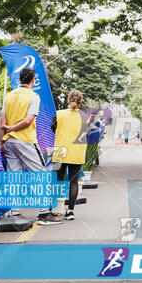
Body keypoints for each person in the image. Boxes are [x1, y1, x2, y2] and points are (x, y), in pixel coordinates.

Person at [0, 67, 62, 225]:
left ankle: (14, 213)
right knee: (41, 175)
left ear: (20, 79)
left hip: (9, 142)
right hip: (25, 140)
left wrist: (2, 140)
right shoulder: (33, 96)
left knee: (13, 178)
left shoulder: (9, 96)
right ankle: (44, 214)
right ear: (33, 80)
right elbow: (28, 121)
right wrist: (13, 129)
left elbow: (2, 121)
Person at [51, 90, 87, 221]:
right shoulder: (85, 117)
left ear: (68, 100)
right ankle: (70, 211)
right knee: (73, 182)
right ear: (81, 101)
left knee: (57, 180)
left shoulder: (59, 114)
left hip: (61, 150)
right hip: (77, 152)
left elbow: (53, 127)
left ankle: (54, 209)